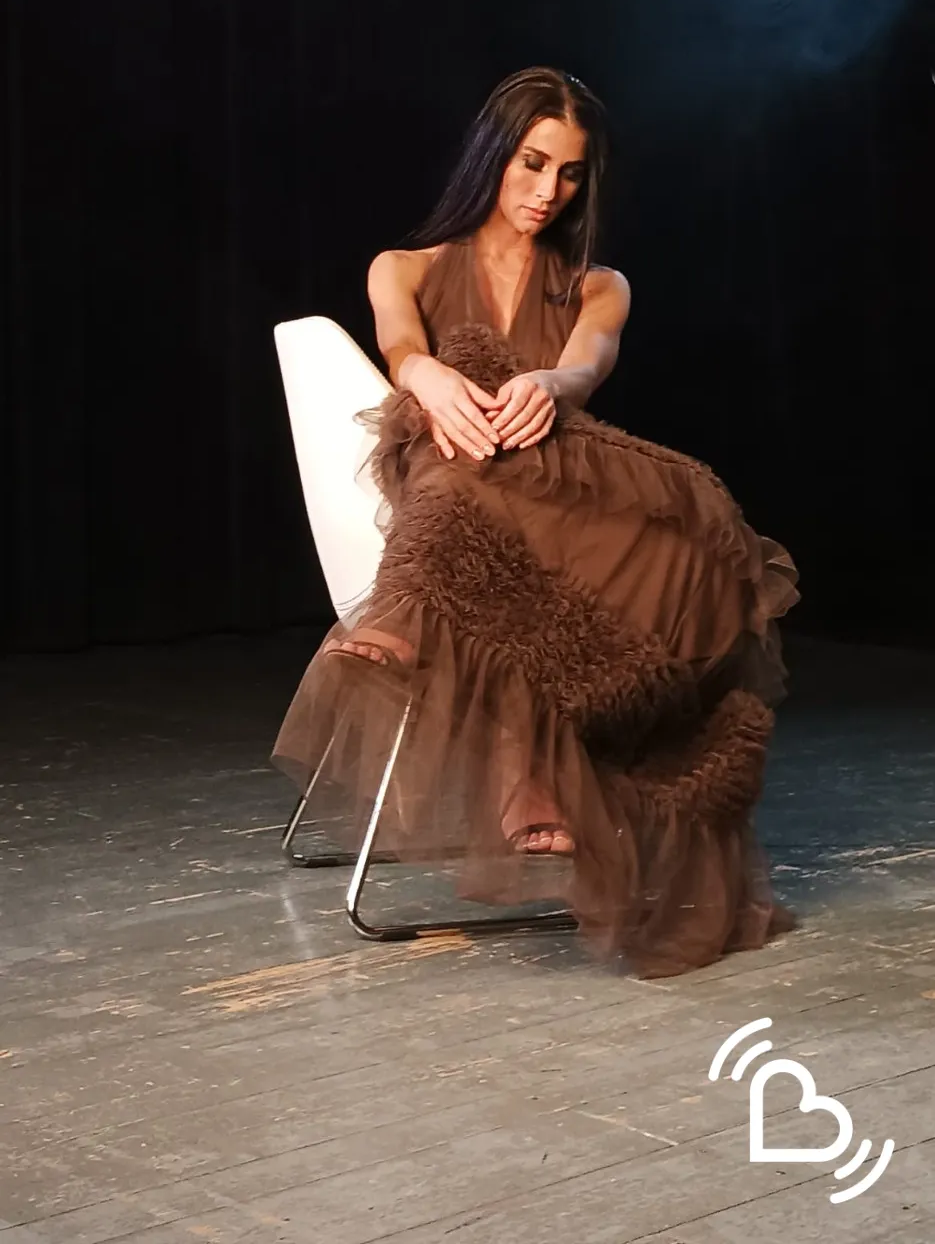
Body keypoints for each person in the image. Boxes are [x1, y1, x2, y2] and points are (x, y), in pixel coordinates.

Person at [272, 66, 800, 978]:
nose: (547, 190)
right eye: (531, 163)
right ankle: (518, 758)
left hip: (555, 485)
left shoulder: (598, 285)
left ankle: (437, 651)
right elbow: (398, 340)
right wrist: (425, 375)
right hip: (446, 469)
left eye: (568, 173)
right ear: (492, 156)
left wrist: (552, 384)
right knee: (458, 445)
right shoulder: (404, 266)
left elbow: (587, 365)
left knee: (688, 533)